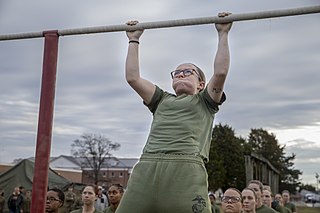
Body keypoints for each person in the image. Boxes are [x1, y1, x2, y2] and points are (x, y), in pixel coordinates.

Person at [116, 12, 233, 213]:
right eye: (176, 73)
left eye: (187, 72)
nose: (180, 74)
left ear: (201, 84)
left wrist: (223, 33)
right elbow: (133, 78)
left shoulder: (205, 101)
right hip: (147, 167)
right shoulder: (161, 99)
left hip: (185, 170)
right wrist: (133, 39)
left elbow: (220, 72)